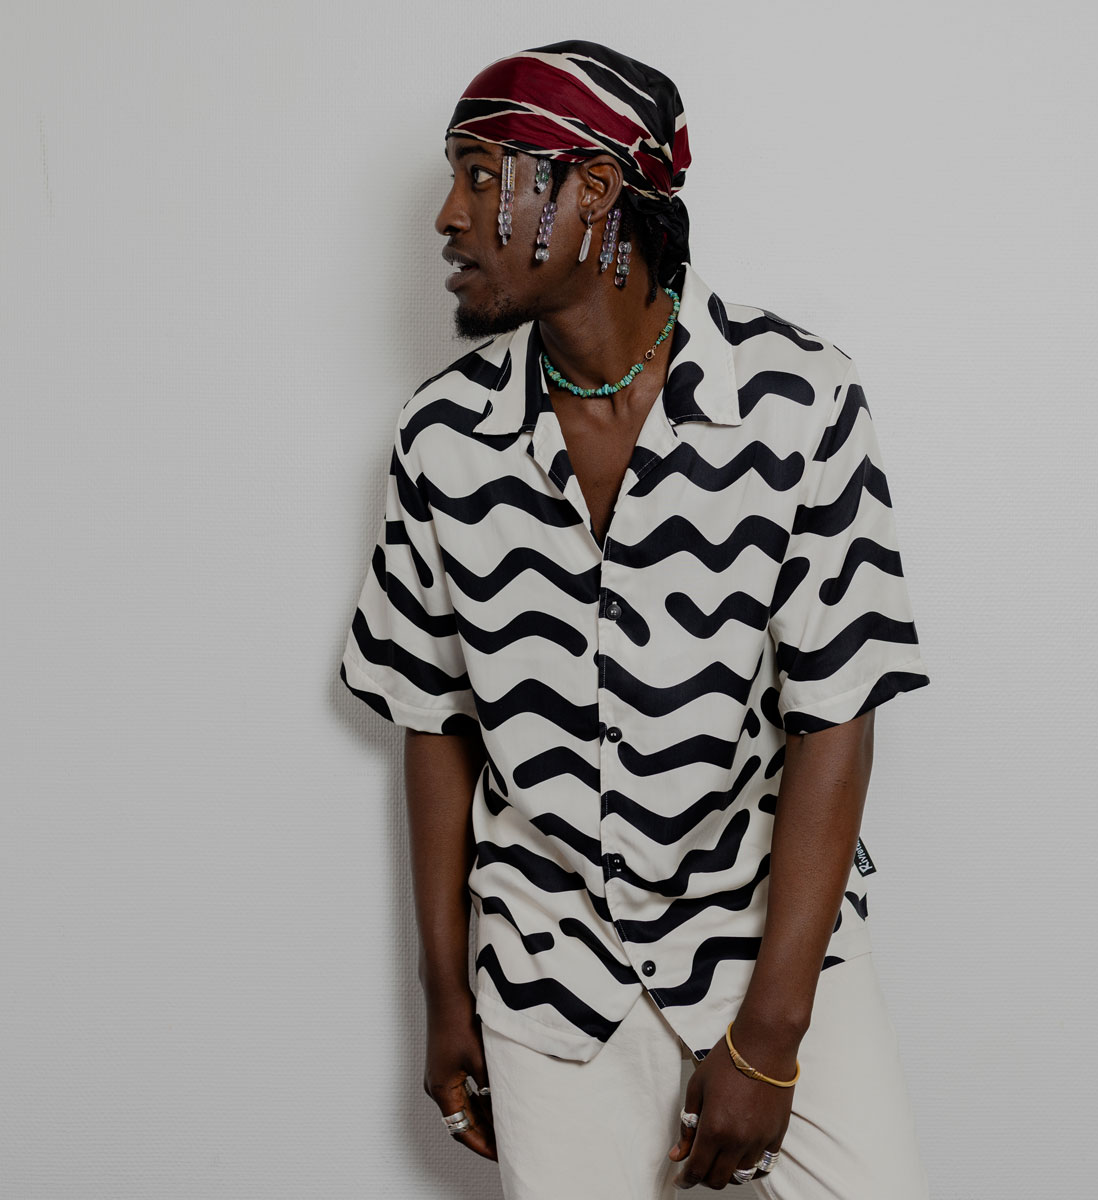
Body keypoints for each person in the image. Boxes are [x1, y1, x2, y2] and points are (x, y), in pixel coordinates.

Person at [339, 39, 931, 1199]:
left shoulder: (799, 400)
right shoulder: (440, 439)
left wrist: (771, 1035)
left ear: (595, 190)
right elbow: (433, 719)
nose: (448, 218)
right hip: (548, 973)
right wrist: (446, 995)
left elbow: (836, 715)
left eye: (482, 175)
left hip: (771, 947)